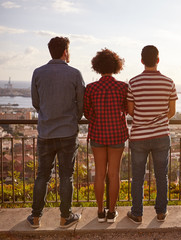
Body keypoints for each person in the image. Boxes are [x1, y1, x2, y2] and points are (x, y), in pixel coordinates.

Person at [27, 36, 85, 228]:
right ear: (65, 52)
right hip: (68, 133)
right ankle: (65, 217)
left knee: (42, 175)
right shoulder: (75, 74)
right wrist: (72, 119)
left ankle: (35, 218)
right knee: (66, 176)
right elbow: (81, 104)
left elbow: (36, 103)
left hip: (45, 133)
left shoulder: (38, 73)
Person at [126, 45, 178, 224]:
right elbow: (171, 112)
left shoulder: (133, 83)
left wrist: (143, 118)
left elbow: (131, 110)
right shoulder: (169, 82)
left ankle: (137, 213)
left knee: (138, 177)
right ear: (158, 60)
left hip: (139, 136)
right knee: (161, 176)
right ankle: (161, 212)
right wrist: (158, 120)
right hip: (161, 135)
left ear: (141, 61)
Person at [83, 49, 128, 223]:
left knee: (100, 174)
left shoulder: (91, 88)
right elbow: (126, 108)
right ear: (116, 67)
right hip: (117, 134)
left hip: (97, 134)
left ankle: (100, 212)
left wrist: (97, 117)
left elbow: (87, 112)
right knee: (114, 174)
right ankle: (112, 212)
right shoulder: (122, 87)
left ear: (97, 67)